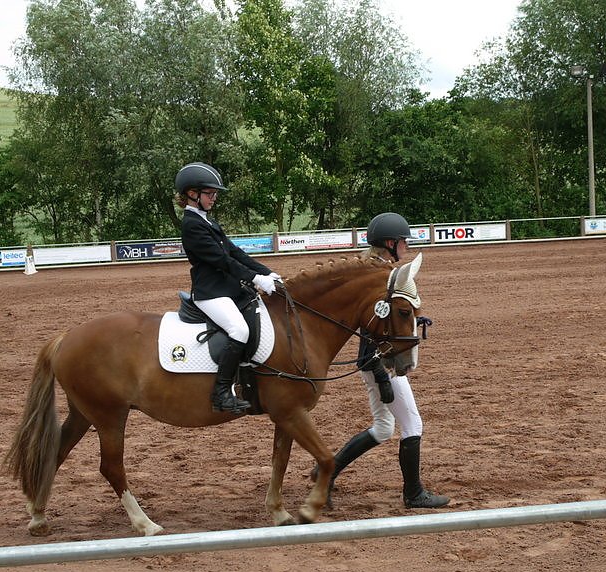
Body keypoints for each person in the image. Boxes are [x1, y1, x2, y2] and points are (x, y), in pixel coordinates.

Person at [312, 212, 450, 509]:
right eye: (403, 242)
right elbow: (370, 334)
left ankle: (327, 470)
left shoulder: (380, 273)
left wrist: (411, 319)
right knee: (412, 423)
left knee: (385, 427)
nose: (406, 247)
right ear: (390, 243)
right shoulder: (379, 279)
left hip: (376, 362)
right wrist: (381, 376)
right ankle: (413, 493)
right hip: (380, 363)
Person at [175, 162, 281, 415]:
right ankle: (221, 393)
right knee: (239, 330)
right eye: (210, 193)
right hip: (210, 293)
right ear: (192, 194)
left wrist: (267, 272)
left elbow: (235, 252)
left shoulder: (207, 221)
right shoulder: (191, 224)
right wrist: (256, 279)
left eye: (215, 193)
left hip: (226, 290)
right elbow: (223, 262)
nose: (214, 198)